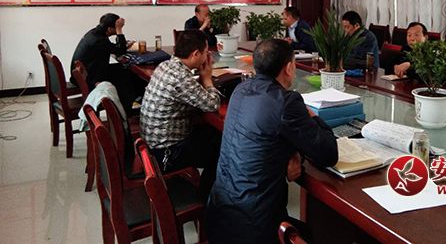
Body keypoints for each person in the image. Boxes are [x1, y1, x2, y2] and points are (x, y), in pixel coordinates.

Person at [207, 39, 338, 244]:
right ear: (289, 67)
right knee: (313, 234)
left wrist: (293, 153)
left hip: (220, 215)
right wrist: (310, 115)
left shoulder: (241, 89)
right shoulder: (287, 102)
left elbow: (265, 136)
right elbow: (329, 153)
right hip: (254, 229)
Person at [140, 29, 222, 200]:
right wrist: (207, 79)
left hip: (152, 144)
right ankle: (205, 199)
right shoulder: (181, 78)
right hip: (166, 153)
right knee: (223, 150)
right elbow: (212, 104)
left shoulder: (165, 65)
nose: (207, 56)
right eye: (206, 52)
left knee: (214, 134)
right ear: (196, 54)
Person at [70, 13, 143, 115]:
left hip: (88, 72)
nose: (118, 29)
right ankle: (129, 108)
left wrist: (123, 44)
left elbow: (111, 48)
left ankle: (133, 102)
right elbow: (120, 51)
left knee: (125, 69)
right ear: (109, 29)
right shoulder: (98, 40)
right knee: (124, 75)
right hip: (90, 78)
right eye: (116, 28)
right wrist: (119, 31)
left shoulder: (95, 33)